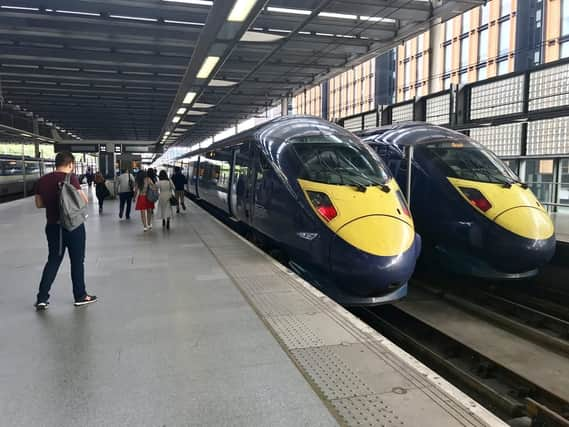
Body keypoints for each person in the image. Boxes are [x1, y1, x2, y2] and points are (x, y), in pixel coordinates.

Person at [34, 151, 97, 310]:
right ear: (70, 164)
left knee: (53, 260)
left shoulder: (42, 180)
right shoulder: (71, 178)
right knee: (77, 261)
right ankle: (80, 296)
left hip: (53, 226)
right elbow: (83, 200)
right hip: (73, 226)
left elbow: (39, 204)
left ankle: (42, 298)